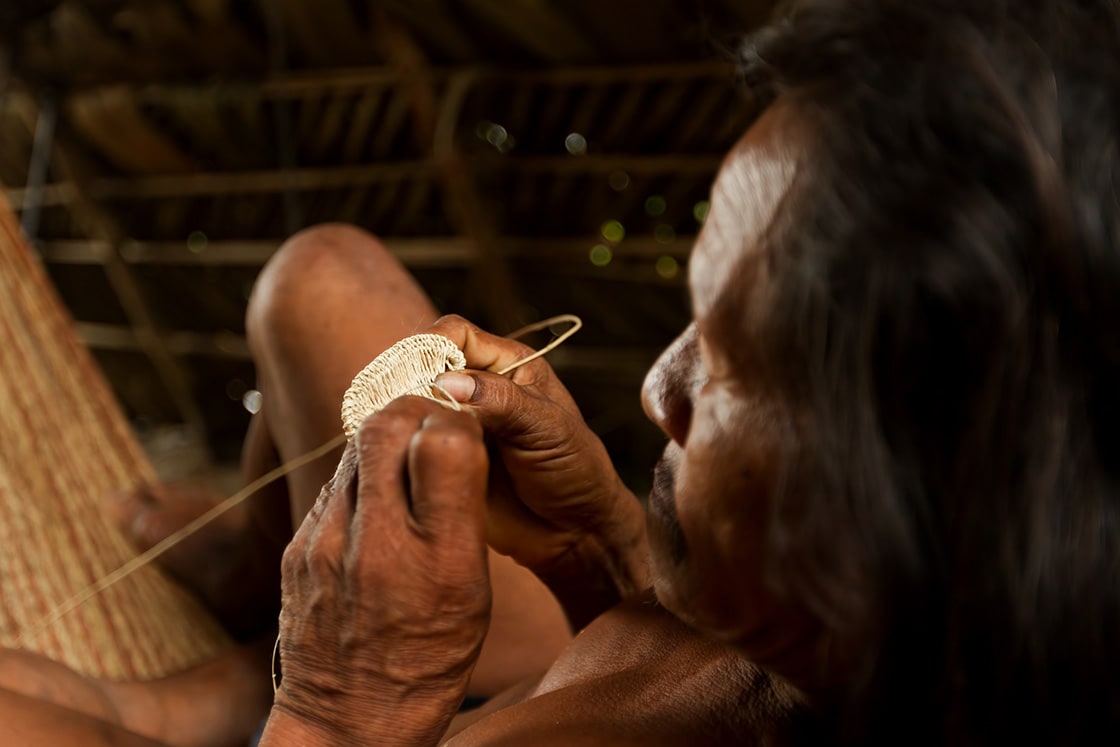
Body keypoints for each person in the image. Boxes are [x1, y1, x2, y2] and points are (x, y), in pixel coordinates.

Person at [2, 0, 1118, 743]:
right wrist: (602, 549)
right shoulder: (830, 631)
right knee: (324, 277)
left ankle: (214, 689)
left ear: (911, 507)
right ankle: (258, 587)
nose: (654, 393)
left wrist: (344, 703)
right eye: (694, 322)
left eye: (730, 374)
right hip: (511, 671)